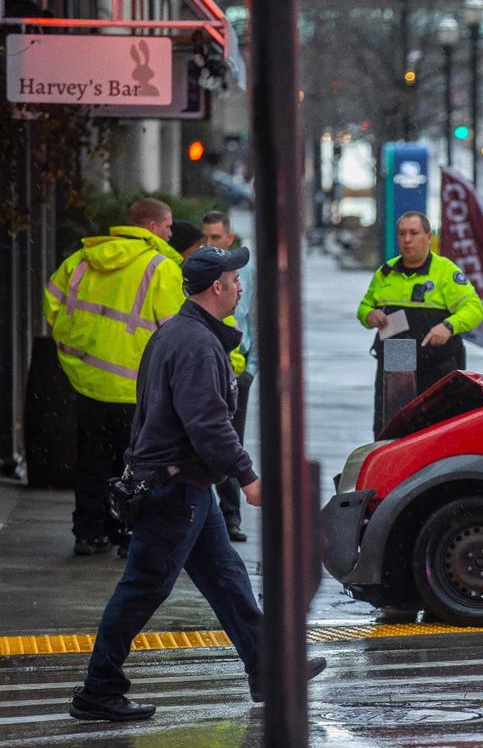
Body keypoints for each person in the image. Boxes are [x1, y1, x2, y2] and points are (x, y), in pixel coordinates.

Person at [69, 246, 325, 722]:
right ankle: (98, 690)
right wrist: (248, 476)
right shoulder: (197, 345)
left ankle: (268, 668)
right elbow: (207, 424)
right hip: (175, 489)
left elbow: (149, 411)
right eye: (234, 279)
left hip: (182, 486)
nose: (240, 287)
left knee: (227, 579)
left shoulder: (176, 332)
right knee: (141, 590)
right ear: (216, 288)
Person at [44, 198, 184, 557]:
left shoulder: (83, 258)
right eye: (168, 226)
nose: (171, 233)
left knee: (90, 460)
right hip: (135, 388)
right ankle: (127, 534)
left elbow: (52, 303)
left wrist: (76, 348)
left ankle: (88, 533)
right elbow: (174, 331)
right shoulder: (161, 268)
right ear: (152, 226)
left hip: (88, 381)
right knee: (134, 468)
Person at [357, 211, 483, 438]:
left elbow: (475, 309)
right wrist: (370, 315)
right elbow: (364, 308)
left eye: (414, 233)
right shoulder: (385, 273)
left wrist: (448, 326)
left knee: (434, 433)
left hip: (436, 364)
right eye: (402, 233)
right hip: (396, 362)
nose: (407, 240)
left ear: (428, 237)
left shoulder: (446, 272)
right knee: (389, 429)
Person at [201, 210, 258, 542]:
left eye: (215, 237)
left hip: (237, 366)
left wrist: (250, 371)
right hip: (207, 362)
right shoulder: (196, 271)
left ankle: (229, 515)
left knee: (231, 439)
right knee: (207, 437)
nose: (209, 243)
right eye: (205, 236)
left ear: (229, 238)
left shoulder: (247, 274)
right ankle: (207, 515)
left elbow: (257, 323)